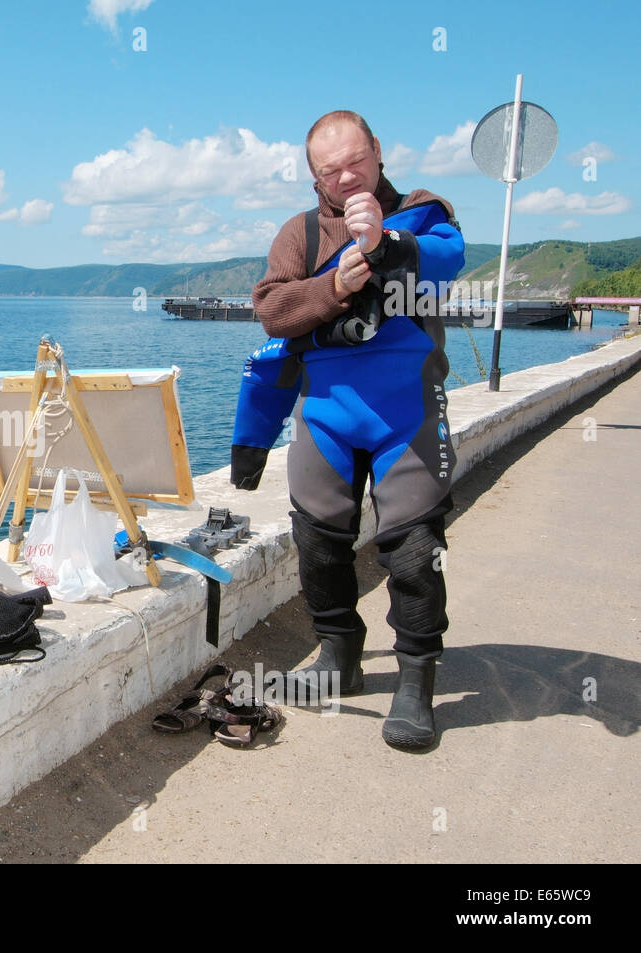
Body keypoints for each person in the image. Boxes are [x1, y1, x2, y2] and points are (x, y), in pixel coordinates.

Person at [251, 110, 465, 749]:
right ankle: (338, 660)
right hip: (325, 415)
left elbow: (447, 260)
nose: (347, 177)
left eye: (356, 162)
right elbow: (271, 310)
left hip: (409, 411)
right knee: (317, 542)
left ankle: (415, 682)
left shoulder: (423, 212)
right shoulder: (299, 232)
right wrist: (335, 285)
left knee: (412, 549)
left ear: (377, 150)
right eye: (330, 170)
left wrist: (383, 246)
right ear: (312, 174)